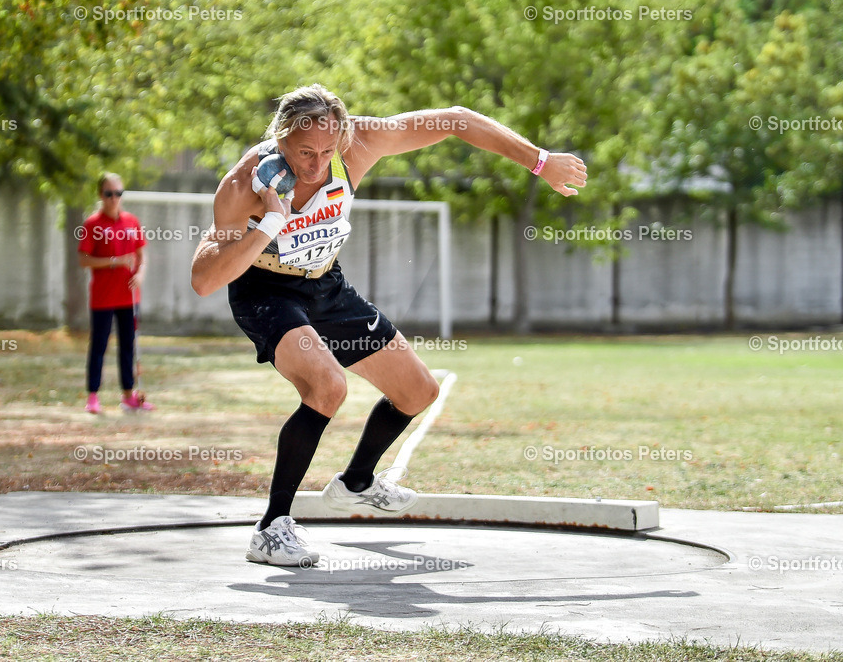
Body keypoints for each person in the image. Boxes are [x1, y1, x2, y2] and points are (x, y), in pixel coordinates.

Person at [191, 84, 587, 566]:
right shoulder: (245, 184)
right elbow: (204, 279)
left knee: (419, 391)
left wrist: (540, 161)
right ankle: (272, 527)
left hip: (326, 286)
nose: (316, 165)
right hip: (265, 292)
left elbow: (456, 119)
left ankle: (357, 481)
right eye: (303, 153)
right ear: (280, 138)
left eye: (325, 152)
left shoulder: (357, 143)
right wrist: (271, 223)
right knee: (327, 386)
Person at [78, 172, 154, 414]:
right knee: (99, 345)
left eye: (118, 193)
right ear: (101, 195)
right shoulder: (92, 224)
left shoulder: (132, 221)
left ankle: (128, 395)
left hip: (129, 298)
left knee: (128, 346)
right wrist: (114, 261)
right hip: (103, 298)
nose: (114, 198)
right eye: (109, 194)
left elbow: (142, 257)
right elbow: (83, 259)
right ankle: (93, 396)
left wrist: (140, 274)